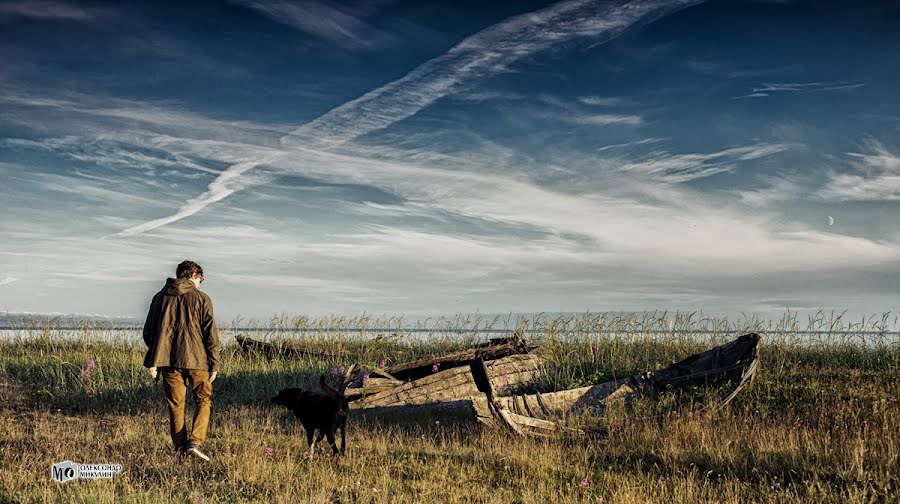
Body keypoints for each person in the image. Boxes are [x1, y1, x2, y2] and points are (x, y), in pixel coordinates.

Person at [143, 260, 220, 462]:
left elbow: (149, 333)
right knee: (203, 400)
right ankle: (195, 443)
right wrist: (215, 363)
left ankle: (180, 453)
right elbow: (210, 334)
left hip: (168, 361)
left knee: (176, 406)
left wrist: (157, 356)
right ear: (193, 275)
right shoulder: (202, 298)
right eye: (200, 279)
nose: (201, 283)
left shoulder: (159, 298)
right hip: (198, 361)